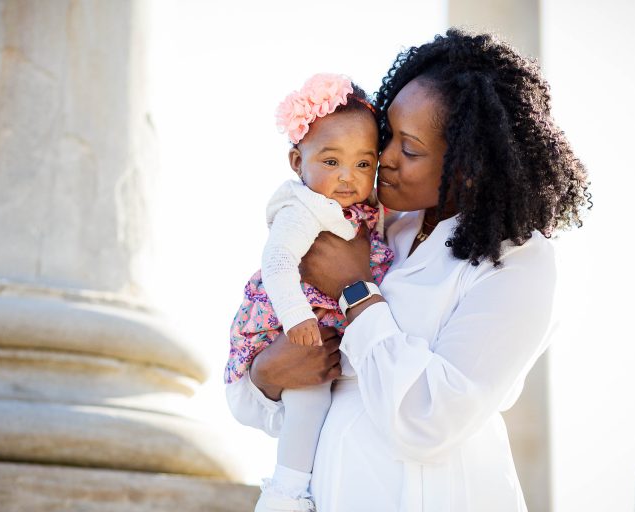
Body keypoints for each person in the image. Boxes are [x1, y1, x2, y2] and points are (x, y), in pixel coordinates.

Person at [226, 29, 590, 512]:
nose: (385, 162)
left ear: (468, 164)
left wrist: (356, 291)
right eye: (387, 138)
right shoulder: (374, 227)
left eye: (410, 149)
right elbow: (266, 405)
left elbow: (429, 419)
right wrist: (268, 375)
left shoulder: (520, 262)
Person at [225, 73, 394, 512]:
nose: (347, 177)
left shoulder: (362, 208)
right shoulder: (301, 208)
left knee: (322, 401)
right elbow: (278, 260)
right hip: (293, 322)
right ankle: (285, 493)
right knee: (309, 399)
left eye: (363, 164)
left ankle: (310, 486)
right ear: (297, 161)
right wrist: (298, 316)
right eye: (331, 161)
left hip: (325, 322)